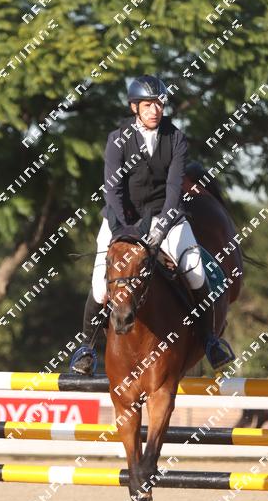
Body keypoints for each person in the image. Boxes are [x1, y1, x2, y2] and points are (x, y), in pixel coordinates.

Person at [70, 74, 235, 375]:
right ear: (135, 107)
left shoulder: (176, 138)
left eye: (159, 104)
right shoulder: (117, 139)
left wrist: (162, 225)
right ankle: (87, 347)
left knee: (196, 271)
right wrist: (125, 229)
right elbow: (113, 189)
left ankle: (211, 340)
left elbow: (173, 188)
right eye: (147, 105)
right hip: (122, 219)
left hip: (165, 217)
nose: (154, 110)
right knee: (99, 285)